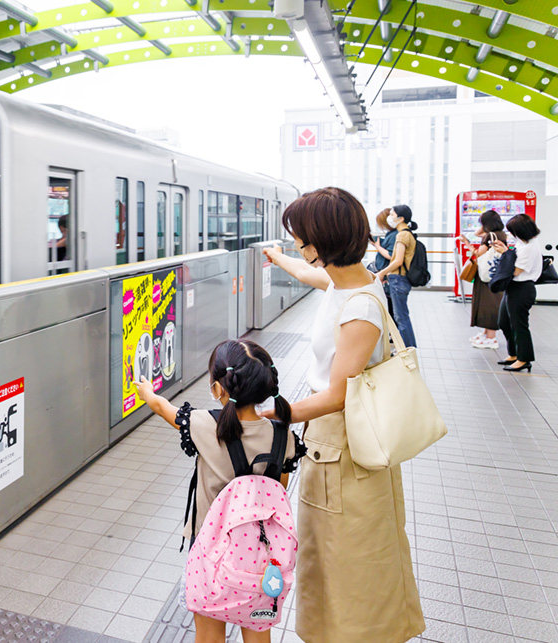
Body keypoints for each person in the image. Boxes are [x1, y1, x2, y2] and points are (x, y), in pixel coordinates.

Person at [261, 187, 425, 643]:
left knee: (348, 559)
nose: (296, 244)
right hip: (333, 443)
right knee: (337, 556)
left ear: (322, 241)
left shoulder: (360, 309)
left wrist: (271, 413)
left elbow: (337, 395)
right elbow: (305, 273)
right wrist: (277, 258)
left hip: (344, 448)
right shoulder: (351, 280)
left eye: (299, 237)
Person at [134, 339, 301, 643]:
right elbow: (279, 491)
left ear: (218, 389)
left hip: (212, 551)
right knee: (258, 632)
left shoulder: (203, 425)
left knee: (209, 633)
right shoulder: (283, 436)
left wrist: (147, 392)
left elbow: (162, 407)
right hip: (262, 557)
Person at [495, 213, 542, 372]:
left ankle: (524, 359)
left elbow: (516, 271)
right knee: (504, 322)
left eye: (512, 231)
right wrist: (506, 251)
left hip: (522, 289)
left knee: (519, 325)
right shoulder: (524, 242)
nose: (510, 234)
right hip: (514, 288)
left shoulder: (529, 247)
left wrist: (504, 254)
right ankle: (514, 354)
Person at [458, 210, 506, 349]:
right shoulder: (499, 234)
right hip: (493, 274)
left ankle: (491, 338)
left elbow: (478, 253)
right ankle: (486, 333)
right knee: (486, 303)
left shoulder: (491, 236)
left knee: (489, 303)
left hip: (487, 276)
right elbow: (477, 233)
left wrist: (466, 243)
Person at [375, 205, 418, 348]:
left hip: (399, 279)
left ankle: (406, 349)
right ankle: (407, 348)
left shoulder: (403, 235)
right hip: (399, 279)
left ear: (401, 218)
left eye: (392, 214)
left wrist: (381, 273)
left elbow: (398, 261)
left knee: (401, 317)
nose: (390, 217)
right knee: (401, 316)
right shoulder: (406, 233)